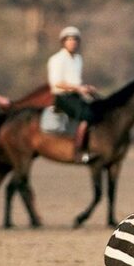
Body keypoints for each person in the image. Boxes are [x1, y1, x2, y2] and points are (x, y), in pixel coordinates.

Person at [47, 26, 97, 163]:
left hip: (76, 95)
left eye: (75, 39)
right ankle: (78, 151)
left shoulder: (78, 59)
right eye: (69, 39)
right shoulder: (57, 59)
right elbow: (57, 83)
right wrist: (78, 88)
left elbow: (75, 81)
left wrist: (86, 88)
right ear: (63, 42)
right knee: (86, 115)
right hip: (62, 97)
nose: (72, 42)